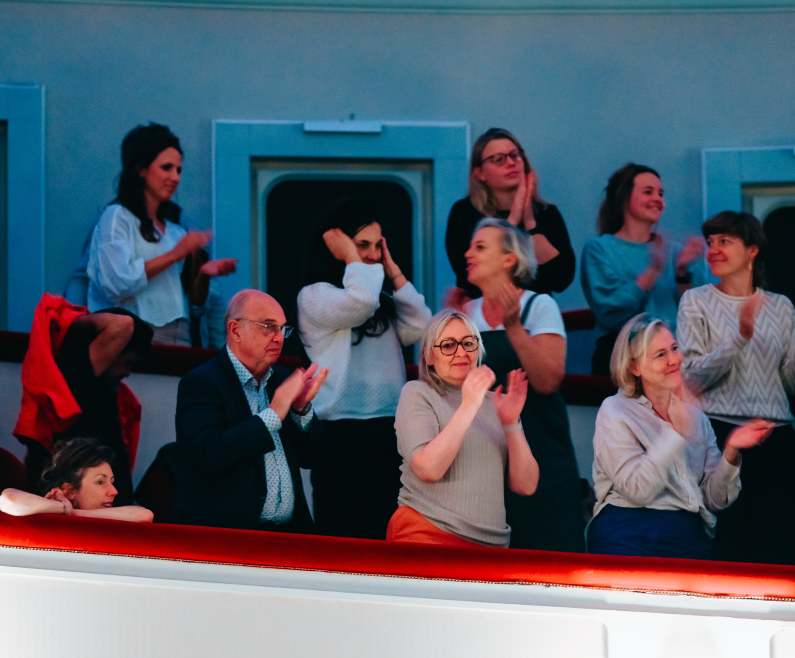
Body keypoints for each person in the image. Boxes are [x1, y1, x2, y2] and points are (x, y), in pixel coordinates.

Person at [677, 211, 795, 564]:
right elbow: (691, 377)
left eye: (724, 241)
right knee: (725, 541)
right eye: (710, 242)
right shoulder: (696, 301)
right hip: (719, 433)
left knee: (773, 545)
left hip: (775, 438)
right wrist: (739, 338)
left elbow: (793, 385)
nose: (713, 250)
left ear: (752, 250)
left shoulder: (781, 305)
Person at [587, 314, 774, 560]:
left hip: (686, 534)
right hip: (627, 529)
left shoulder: (696, 417)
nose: (674, 360)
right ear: (634, 367)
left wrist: (731, 450)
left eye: (674, 348)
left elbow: (715, 499)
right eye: (660, 354)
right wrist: (675, 434)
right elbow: (637, 490)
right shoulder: (615, 410)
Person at [297, 197, 431, 539]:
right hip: (339, 434)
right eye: (362, 245)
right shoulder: (314, 295)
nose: (372, 255)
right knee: (343, 536)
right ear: (336, 246)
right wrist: (351, 258)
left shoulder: (378, 298)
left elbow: (421, 326)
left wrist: (393, 270)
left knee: (386, 534)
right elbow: (359, 302)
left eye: (377, 246)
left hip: (389, 430)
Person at [462, 218, 585, 552]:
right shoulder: (463, 315)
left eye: (479, 247)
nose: (467, 254)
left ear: (509, 259)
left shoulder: (539, 305)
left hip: (540, 449)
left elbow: (548, 381)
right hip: (483, 457)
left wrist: (514, 327)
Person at [171, 289, 327, 531]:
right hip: (228, 536)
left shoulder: (282, 379)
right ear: (235, 330)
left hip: (288, 535)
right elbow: (207, 456)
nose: (279, 338)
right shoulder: (201, 383)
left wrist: (300, 409)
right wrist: (273, 414)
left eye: (282, 329)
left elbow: (312, 459)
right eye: (268, 327)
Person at [389, 309, 538, 548]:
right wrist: (469, 405)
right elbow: (428, 469)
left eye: (468, 343)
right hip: (427, 536)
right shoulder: (417, 393)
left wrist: (511, 423)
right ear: (428, 356)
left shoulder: (496, 402)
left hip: (491, 546)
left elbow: (526, 486)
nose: (461, 352)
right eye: (448, 345)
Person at [87, 122, 237, 346]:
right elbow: (117, 283)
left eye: (179, 170)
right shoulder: (117, 217)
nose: (175, 178)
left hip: (181, 340)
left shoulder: (175, 231)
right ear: (141, 169)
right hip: (135, 340)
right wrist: (175, 254)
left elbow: (196, 306)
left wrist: (204, 274)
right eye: (166, 168)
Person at [13, 295, 153, 506]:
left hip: (106, 510)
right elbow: (122, 325)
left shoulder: (107, 392)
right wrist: (70, 325)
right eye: (129, 363)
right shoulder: (73, 380)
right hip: (80, 512)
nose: (127, 373)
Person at [581, 163, 705, 374]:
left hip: (673, 360)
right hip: (623, 361)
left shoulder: (676, 252)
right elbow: (609, 312)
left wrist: (682, 273)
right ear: (623, 198)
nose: (658, 199)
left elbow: (697, 316)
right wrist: (652, 272)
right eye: (648, 192)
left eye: (661, 194)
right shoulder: (599, 249)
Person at [445, 127, 575, 298]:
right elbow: (470, 279)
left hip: (534, 310)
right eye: (498, 159)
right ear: (480, 173)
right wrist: (512, 220)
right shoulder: (464, 213)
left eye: (515, 155)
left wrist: (530, 223)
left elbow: (561, 280)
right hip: (484, 311)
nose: (511, 163)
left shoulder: (547, 213)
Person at [0, 438, 153, 522]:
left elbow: (144, 515)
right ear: (70, 491)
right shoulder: (49, 515)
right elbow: (10, 500)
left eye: (111, 482)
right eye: (100, 482)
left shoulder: (112, 518)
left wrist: (71, 512)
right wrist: (60, 507)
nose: (114, 491)